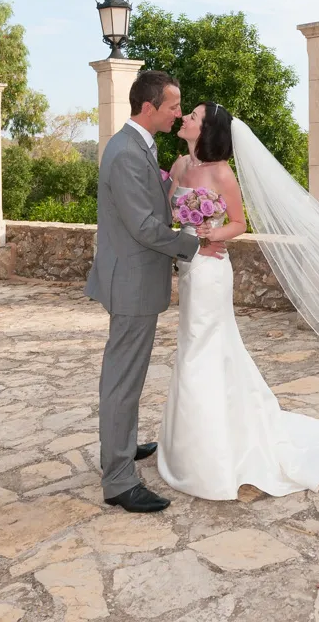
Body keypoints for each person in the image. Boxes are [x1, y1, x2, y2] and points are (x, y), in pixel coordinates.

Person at [157, 102, 319, 500]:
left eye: (194, 116)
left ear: (208, 129)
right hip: (190, 267)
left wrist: (207, 237)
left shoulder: (221, 172)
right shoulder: (180, 166)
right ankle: (190, 445)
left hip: (212, 269)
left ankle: (211, 455)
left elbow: (238, 223)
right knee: (191, 347)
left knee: (204, 346)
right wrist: (184, 236)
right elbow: (169, 213)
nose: (185, 119)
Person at [85, 72, 226, 513]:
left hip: (134, 277)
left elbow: (155, 199)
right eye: (172, 107)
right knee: (123, 379)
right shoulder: (127, 151)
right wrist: (194, 244)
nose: (178, 114)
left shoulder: (138, 146)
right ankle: (120, 481)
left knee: (125, 375)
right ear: (149, 108)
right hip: (131, 281)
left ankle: (120, 450)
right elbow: (144, 226)